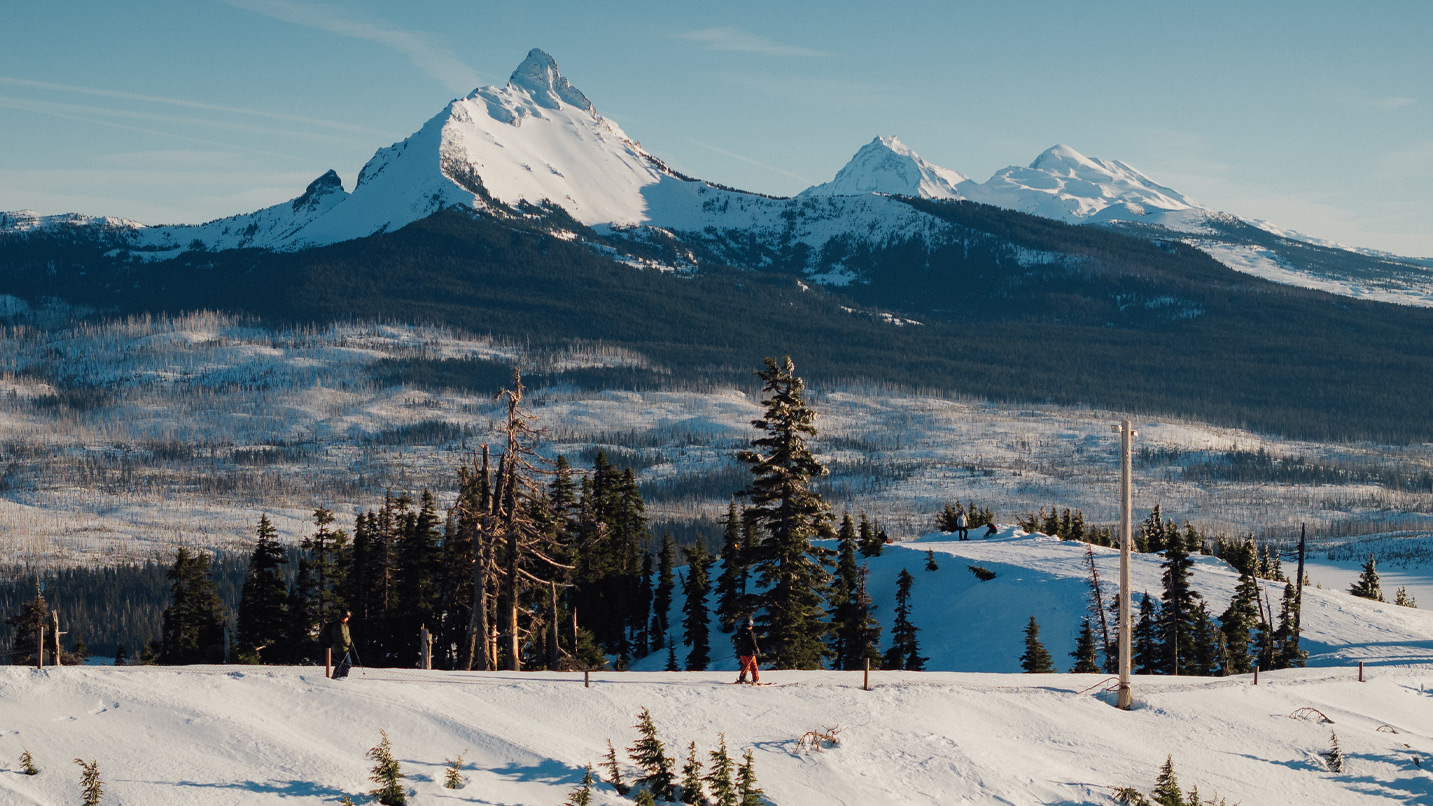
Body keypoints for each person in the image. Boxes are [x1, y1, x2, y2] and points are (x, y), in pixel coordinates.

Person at [325, 610, 354, 679]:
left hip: (343, 647)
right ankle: (342, 677)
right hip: (340, 647)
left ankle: (336, 676)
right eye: (347, 617)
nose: (348, 618)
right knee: (347, 663)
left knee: (341, 663)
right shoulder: (339, 625)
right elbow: (342, 638)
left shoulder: (344, 625)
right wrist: (348, 645)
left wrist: (350, 643)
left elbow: (347, 636)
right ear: (344, 617)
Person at [734, 617, 760, 684]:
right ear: (750, 625)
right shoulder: (750, 632)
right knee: (753, 666)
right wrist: (756, 650)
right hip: (749, 653)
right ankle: (755, 680)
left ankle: (742, 678)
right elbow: (753, 642)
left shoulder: (740, 632)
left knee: (745, 665)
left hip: (742, 653)